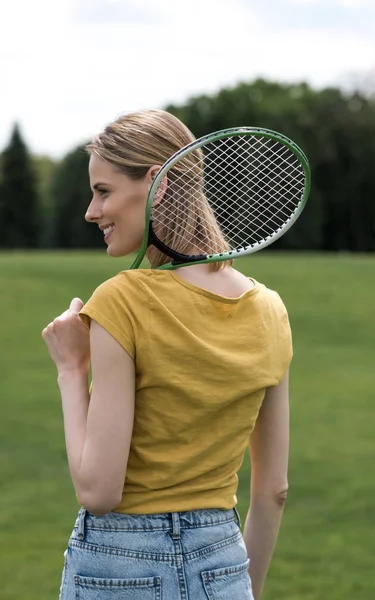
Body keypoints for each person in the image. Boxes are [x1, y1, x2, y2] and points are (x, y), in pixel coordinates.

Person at [42, 109, 292, 600]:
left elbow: (99, 491)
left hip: (118, 566)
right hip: (223, 565)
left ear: (155, 182)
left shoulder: (121, 299)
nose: (92, 212)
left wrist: (71, 370)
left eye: (103, 191)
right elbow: (273, 491)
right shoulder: (270, 310)